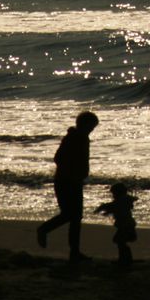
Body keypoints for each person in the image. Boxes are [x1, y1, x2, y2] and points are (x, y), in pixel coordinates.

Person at [36, 110, 99, 261]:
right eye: (91, 127)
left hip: (74, 181)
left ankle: (75, 252)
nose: (92, 130)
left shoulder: (82, 138)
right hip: (66, 181)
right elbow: (58, 158)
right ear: (84, 124)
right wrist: (72, 173)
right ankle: (44, 229)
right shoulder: (73, 138)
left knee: (75, 217)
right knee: (70, 215)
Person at [95, 181, 138, 266]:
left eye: (114, 193)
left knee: (119, 241)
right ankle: (126, 259)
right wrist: (107, 211)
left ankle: (125, 260)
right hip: (127, 225)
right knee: (120, 241)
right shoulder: (123, 201)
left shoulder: (121, 201)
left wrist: (104, 209)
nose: (113, 196)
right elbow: (114, 207)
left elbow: (114, 206)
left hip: (126, 226)